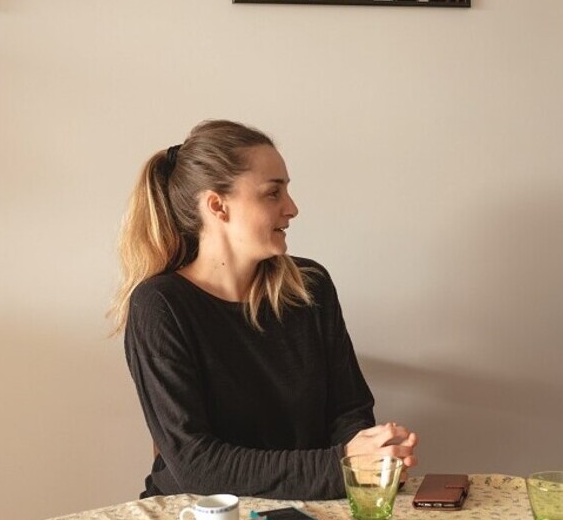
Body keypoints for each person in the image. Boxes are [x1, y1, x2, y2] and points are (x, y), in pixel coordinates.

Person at [110, 120, 418, 500]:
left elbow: (348, 409)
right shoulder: (161, 306)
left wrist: (371, 456)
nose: (292, 208)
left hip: (310, 510)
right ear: (217, 206)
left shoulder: (310, 286)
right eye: (273, 194)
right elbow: (197, 467)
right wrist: (342, 466)